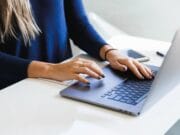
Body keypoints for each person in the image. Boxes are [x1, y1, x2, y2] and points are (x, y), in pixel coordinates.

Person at [0, 0, 153, 89]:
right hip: (13, 90)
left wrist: (110, 53)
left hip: (60, 84)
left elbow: (77, 23)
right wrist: (50, 69)